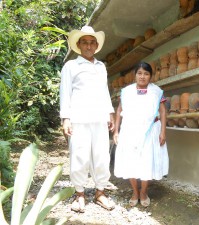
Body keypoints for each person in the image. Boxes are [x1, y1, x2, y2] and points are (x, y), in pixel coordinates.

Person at [59, 25, 116, 213]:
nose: (89, 46)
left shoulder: (101, 67)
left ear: (96, 45)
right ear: (79, 44)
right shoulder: (71, 66)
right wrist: (65, 118)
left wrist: (110, 113)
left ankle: (100, 193)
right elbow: (65, 93)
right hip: (79, 119)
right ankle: (80, 194)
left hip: (99, 119)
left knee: (101, 156)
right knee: (79, 156)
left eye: (92, 43)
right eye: (85, 42)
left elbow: (105, 92)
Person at [113, 62, 169, 207]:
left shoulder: (157, 92)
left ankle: (143, 191)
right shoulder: (126, 91)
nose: (142, 77)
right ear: (135, 75)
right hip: (129, 131)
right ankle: (135, 191)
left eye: (146, 74)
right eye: (139, 73)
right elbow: (119, 110)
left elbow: (162, 111)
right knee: (130, 161)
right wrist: (116, 131)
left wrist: (163, 131)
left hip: (150, 132)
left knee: (147, 161)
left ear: (150, 76)